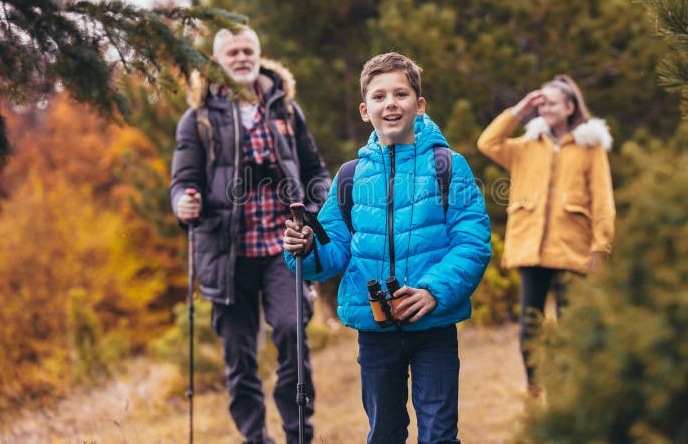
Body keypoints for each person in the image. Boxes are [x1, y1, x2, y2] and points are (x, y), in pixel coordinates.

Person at [283, 52, 491, 444]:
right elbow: (331, 253)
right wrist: (305, 248)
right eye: (379, 97)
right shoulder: (350, 176)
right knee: (384, 434)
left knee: (439, 436)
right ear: (365, 110)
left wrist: (433, 291)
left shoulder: (449, 166)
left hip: (434, 325)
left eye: (401, 94)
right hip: (375, 330)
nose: (390, 103)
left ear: (419, 104)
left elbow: (473, 243)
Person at [170, 25, 330, 444]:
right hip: (228, 254)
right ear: (216, 63)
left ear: (259, 55)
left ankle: (299, 434)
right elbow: (182, 181)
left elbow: (316, 173)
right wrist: (183, 203)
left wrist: (315, 211)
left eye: (248, 50)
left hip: (284, 246)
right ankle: (255, 438)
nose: (241, 58)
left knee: (293, 334)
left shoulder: (286, 112)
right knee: (239, 356)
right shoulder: (197, 119)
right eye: (231, 52)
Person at [476, 74, 615, 397]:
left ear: (569, 107)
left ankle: (568, 392)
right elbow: (488, 143)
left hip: (573, 250)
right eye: (541, 102)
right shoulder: (526, 147)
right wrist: (519, 110)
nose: (545, 107)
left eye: (551, 102)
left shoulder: (589, 148)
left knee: (571, 328)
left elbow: (603, 200)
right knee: (530, 328)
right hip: (531, 249)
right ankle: (535, 388)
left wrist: (601, 247)